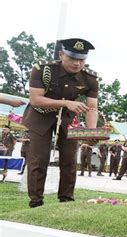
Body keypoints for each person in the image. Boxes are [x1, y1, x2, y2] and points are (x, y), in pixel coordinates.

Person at [22, 38, 98, 208]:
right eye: (72, 58)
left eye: (81, 59)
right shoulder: (43, 69)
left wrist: (92, 132)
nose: (77, 63)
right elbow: (35, 100)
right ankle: (36, 202)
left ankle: (66, 201)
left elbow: (92, 108)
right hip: (40, 116)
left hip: (67, 119)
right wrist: (65, 103)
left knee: (69, 161)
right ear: (61, 54)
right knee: (38, 160)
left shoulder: (90, 78)